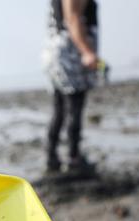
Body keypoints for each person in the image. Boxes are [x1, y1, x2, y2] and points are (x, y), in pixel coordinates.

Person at [42, 0, 99, 173]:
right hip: (70, 54)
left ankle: (52, 157)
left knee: (60, 108)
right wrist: (87, 51)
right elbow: (72, 18)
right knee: (74, 107)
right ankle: (73, 157)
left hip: (58, 53)